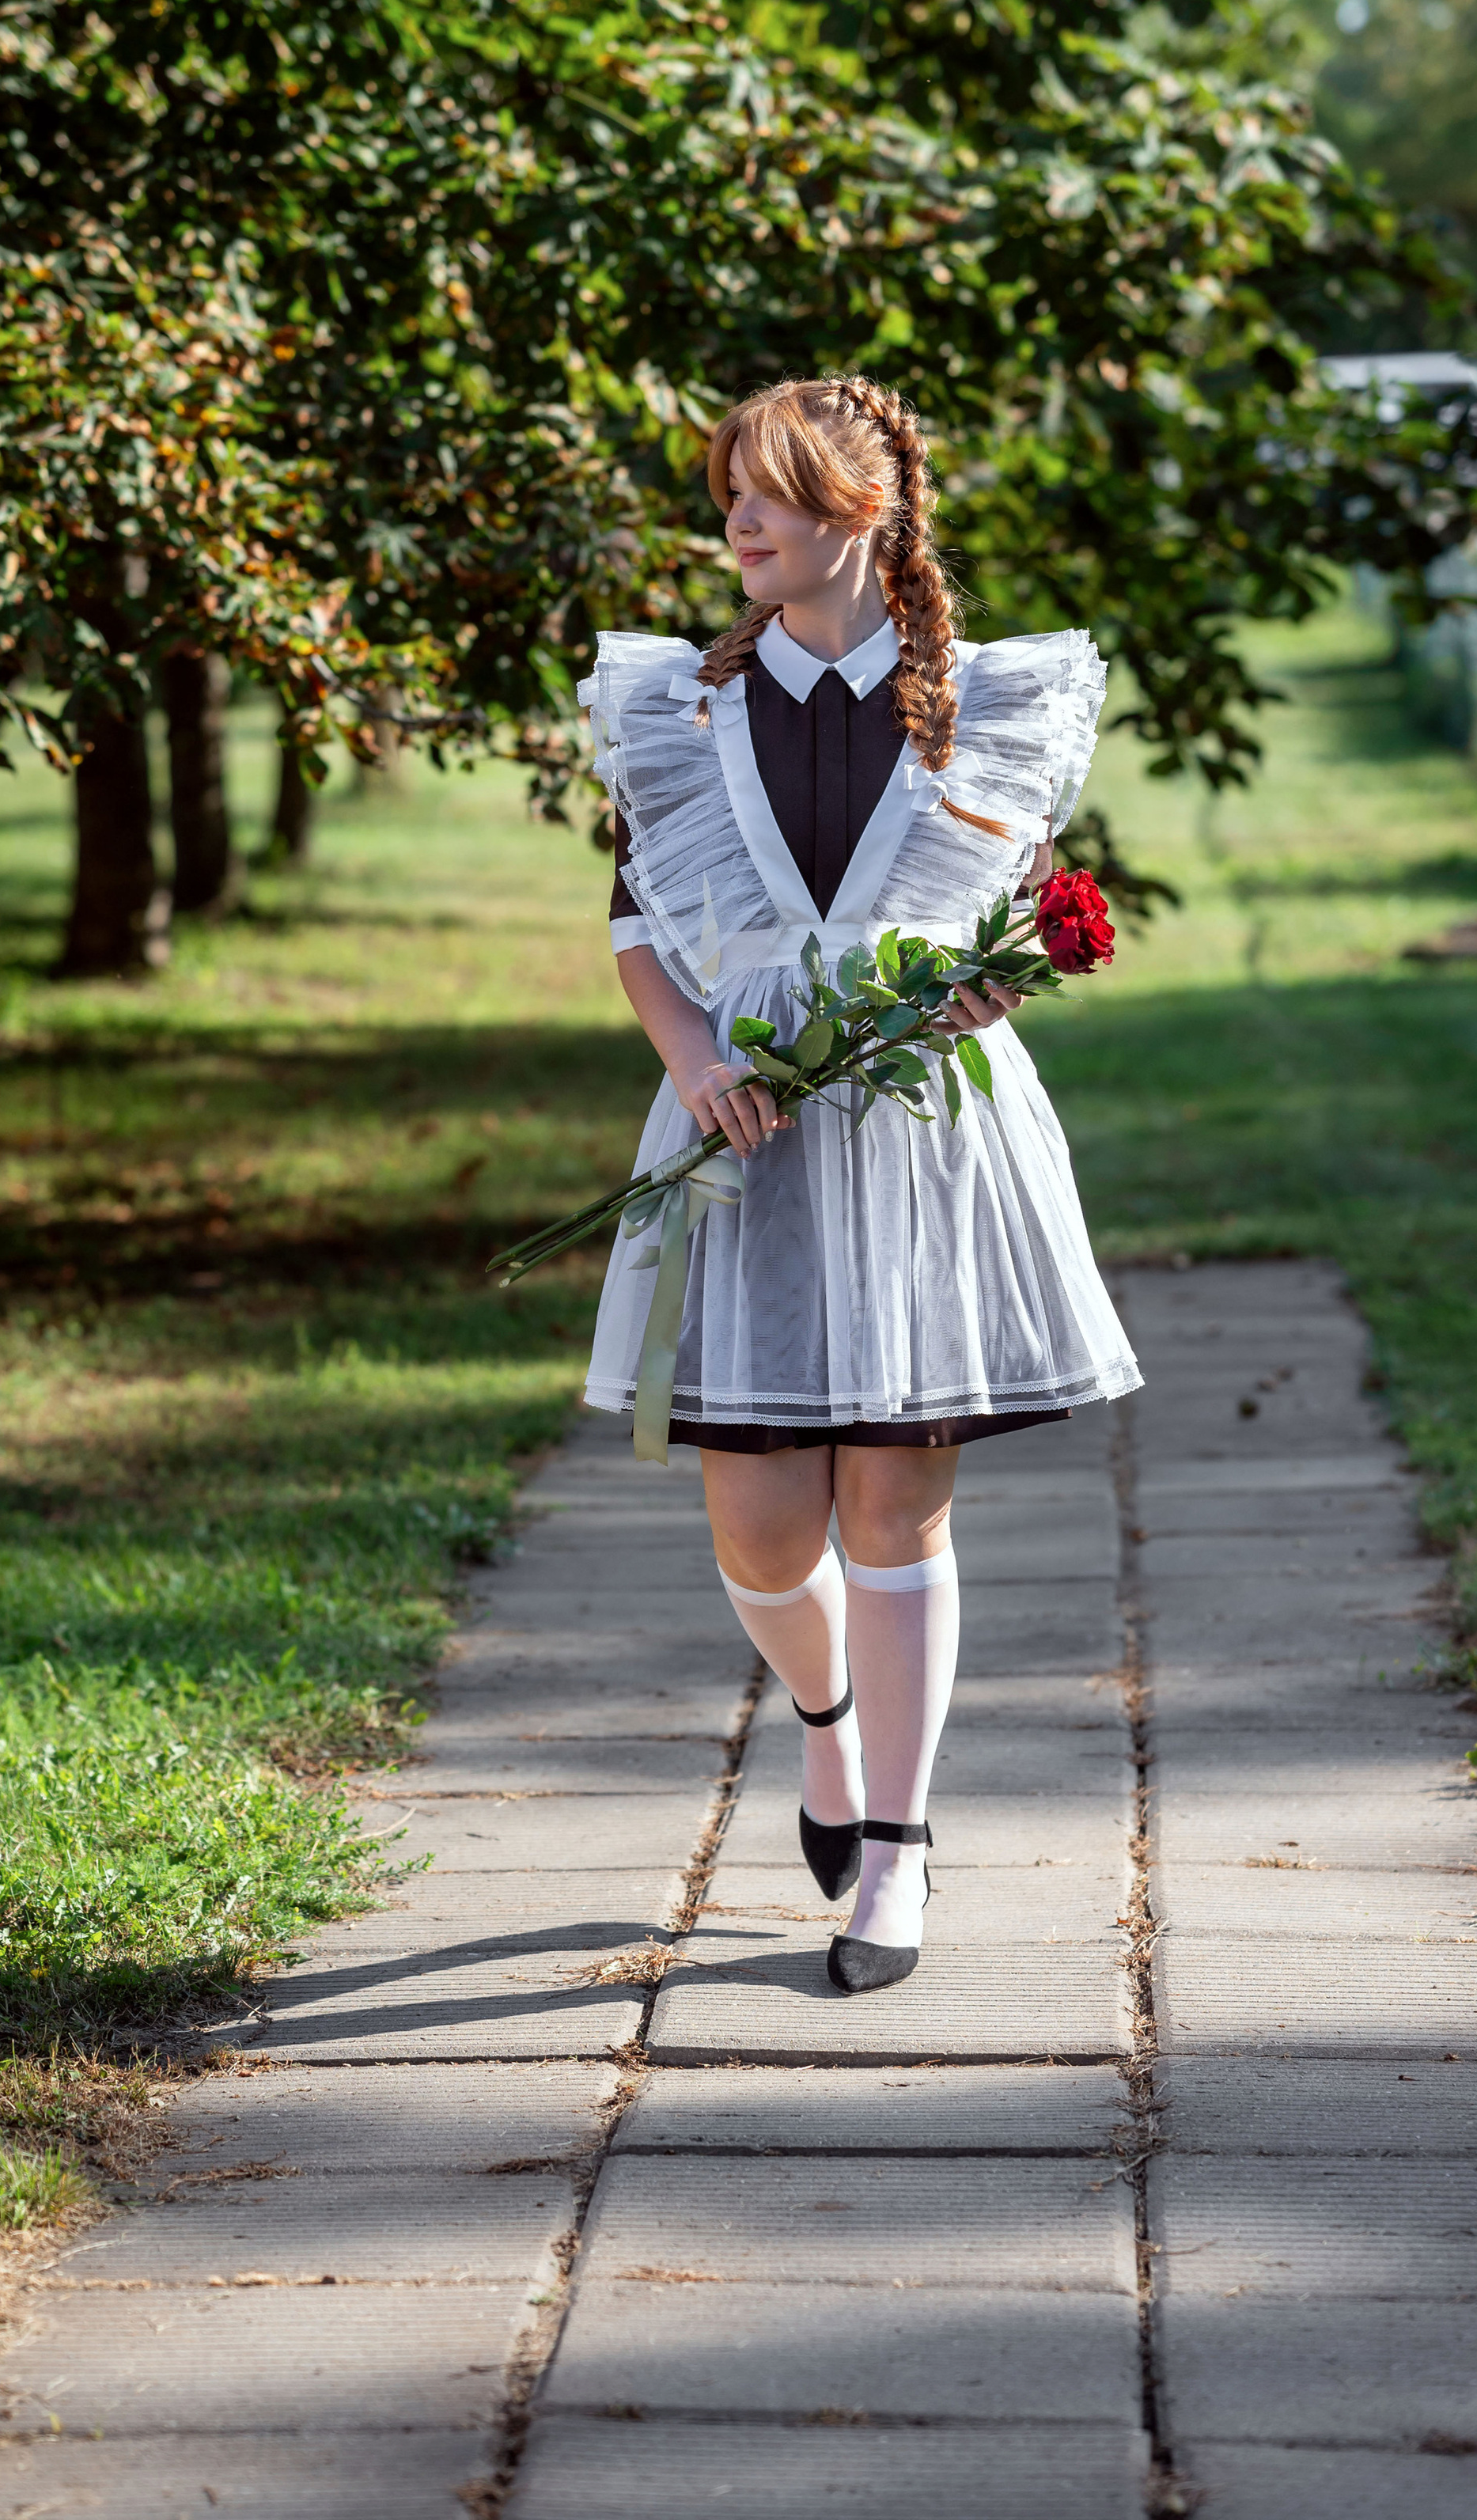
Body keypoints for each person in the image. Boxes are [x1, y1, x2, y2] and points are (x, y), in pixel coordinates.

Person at [581, 375, 1140, 1994]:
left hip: (918, 1131)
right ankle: (822, 1730)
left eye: (768, 493)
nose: (736, 522)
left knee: (892, 1494)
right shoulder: (673, 707)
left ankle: (891, 1851)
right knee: (760, 1528)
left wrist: (987, 988)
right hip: (741, 1130)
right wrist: (688, 1050)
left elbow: (1021, 910)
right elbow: (633, 920)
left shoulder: (986, 702)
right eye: (728, 494)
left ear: (860, 509)